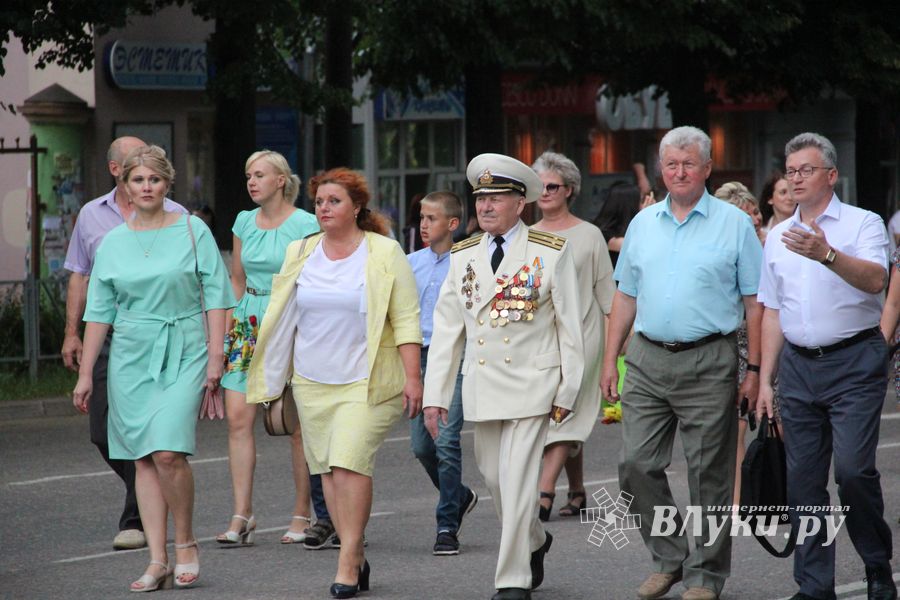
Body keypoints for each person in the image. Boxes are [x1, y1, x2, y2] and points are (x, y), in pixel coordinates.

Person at [600, 126, 763, 600]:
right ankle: (668, 558)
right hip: (648, 357)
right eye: (671, 164)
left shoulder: (734, 225)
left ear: (708, 169)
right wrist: (610, 361)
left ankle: (706, 575)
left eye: (689, 163)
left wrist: (752, 371)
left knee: (708, 473)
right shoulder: (643, 223)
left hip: (710, 357)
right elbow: (624, 296)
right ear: (661, 169)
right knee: (634, 464)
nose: (679, 172)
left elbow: (756, 302)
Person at [246, 167, 422, 599]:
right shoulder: (301, 251)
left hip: (367, 380)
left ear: (357, 207)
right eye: (320, 201)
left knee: (348, 463)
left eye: (334, 201)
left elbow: (405, 318)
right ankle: (355, 554)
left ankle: (349, 556)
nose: (324, 208)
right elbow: (284, 313)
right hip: (311, 380)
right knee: (326, 469)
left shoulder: (384, 251)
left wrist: (414, 378)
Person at [72, 145, 234, 591]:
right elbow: (99, 313)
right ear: (124, 185)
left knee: (168, 452)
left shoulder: (191, 230)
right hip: (130, 354)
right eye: (138, 180)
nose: (146, 187)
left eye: (154, 180)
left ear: (168, 184)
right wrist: (86, 373)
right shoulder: (114, 242)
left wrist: (216, 357)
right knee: (142, 458)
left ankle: (186, 543)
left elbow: (217, 296)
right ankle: (157, 558)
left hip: (184, 347)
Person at [423, 153, 584, 600]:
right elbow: (447, 331)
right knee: (495, 479)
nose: (487, 206)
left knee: (516, 484)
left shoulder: (549, 251)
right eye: (481, 198)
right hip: (483, 388)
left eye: (497, 198)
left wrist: (569, 387)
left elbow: (570, 326)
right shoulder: (463, 255)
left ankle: (512, 580)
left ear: (521, 203)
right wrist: (434, 396)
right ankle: (534, 540)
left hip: (534, 384)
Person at [757, 132, 896, 600]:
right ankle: (815, 586)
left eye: (806, 170)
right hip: (798, 366)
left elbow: (876, 278)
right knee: (803, 482)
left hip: (855, 360)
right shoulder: (776, 236)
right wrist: (764, 378)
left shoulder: (863, 223)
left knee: (854, 473)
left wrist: (828, 255)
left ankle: (877, 564)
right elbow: (773, 310)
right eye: (790, 170)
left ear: (831, 175)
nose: (795, 178)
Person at [61, 136, 188, 551]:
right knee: (103, 431)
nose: (146, 180)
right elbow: (81, 275)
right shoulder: (93, 218)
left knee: (157, 444)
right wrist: (72, 332)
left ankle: (139, 517)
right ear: (118, 171)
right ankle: (152, 489)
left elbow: (200, 284)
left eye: (154, 173)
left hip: (166, 338)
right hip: (112, 334)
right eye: (137, 170)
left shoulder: (182, 220)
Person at [216, 150, 320, 546]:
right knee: (238, 419)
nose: (251, 181)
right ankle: (242, 514)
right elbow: (237, 279)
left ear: (281, 180)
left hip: (289, 322)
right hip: (249, 322)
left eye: (259, 174)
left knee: (293, 423)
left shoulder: (306, 223)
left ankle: (301, 513)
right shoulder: (244, 221)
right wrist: (229, 331)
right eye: (247, 175)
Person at [531, 151, 615, 521]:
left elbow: (608, 297)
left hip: (585, 336)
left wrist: (613, 354)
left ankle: (543, 490)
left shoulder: (589, 234)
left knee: (565, 414)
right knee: (558, 415)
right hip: (542, 342)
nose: (545, 192)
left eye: (552, 186)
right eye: (540, 186)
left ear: (569, 190)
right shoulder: (526, 237)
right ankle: (577, 490)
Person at [407, 191, 480, 555]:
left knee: (447, 440)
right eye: (421, 217)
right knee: (421, 446)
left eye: (431, 219)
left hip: (454, 355)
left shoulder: (467, 262)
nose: (423, 225)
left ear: (452, 224)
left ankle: (446, 524)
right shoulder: (410, 263)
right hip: (418, 358)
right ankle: (461, 495)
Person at [712, 181, 770, 509]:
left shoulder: (775, 244)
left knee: (775, 422)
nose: (755, 220)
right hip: (734, 343)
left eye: (756, 212)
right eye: (745, 216)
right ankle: (738, 502)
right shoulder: (724, 249)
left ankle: (782, 494)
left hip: (770, 343)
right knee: (736, 427)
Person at [592, 183, 642, 268]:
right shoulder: (604, 233)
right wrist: (644, 217)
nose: (642, 205)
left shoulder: (632, 228)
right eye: (641, 201)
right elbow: (638, 247)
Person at [759, 170, 795, 235]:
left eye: (792, 192)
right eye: (783, 192)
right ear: (770, 199)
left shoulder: (805, 228)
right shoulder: (760, 231)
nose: (790, 197)